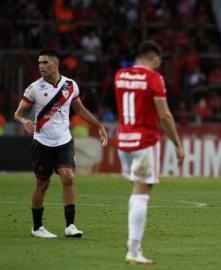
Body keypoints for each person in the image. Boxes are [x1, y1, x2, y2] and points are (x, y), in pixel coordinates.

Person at [14, 49, 108, 238]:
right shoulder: (34, 88)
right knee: (43, 183)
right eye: (39, 63)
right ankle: (37, 227)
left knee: (68, 177)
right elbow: (18, 113)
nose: (41, 66)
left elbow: (80, 110)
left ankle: (70, 226)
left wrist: (98, 125)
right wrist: (24, 122)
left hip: (64, 141)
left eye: (45, 62)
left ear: (56, 64)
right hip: (42, 142)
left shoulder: (70, 85)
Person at [114, 40, 185, 265]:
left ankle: (134, 246)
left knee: (136, 191)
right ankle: (133, 250)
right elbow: (164, 115)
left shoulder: (120, 75)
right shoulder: (154, 78)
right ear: (155, 59)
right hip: (145, 141)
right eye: (158, 62)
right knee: (141, 194)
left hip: (123, 141)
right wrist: (177, 143)